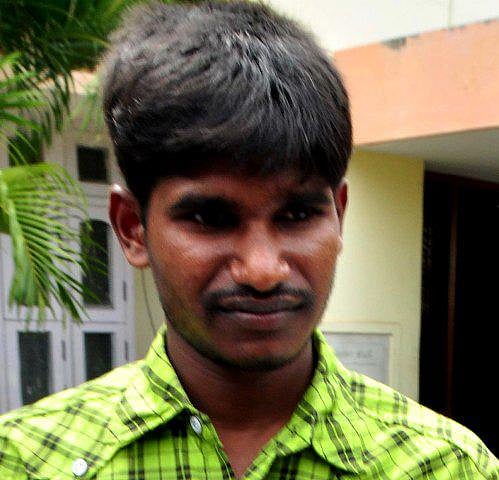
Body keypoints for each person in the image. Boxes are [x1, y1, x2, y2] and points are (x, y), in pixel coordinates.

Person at [0, 1, 497, 479]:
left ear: (339, 216)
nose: (262, 271)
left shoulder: (444, 467)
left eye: (297, 215)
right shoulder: (27, 461)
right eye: (210, 218)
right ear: (133, 228)